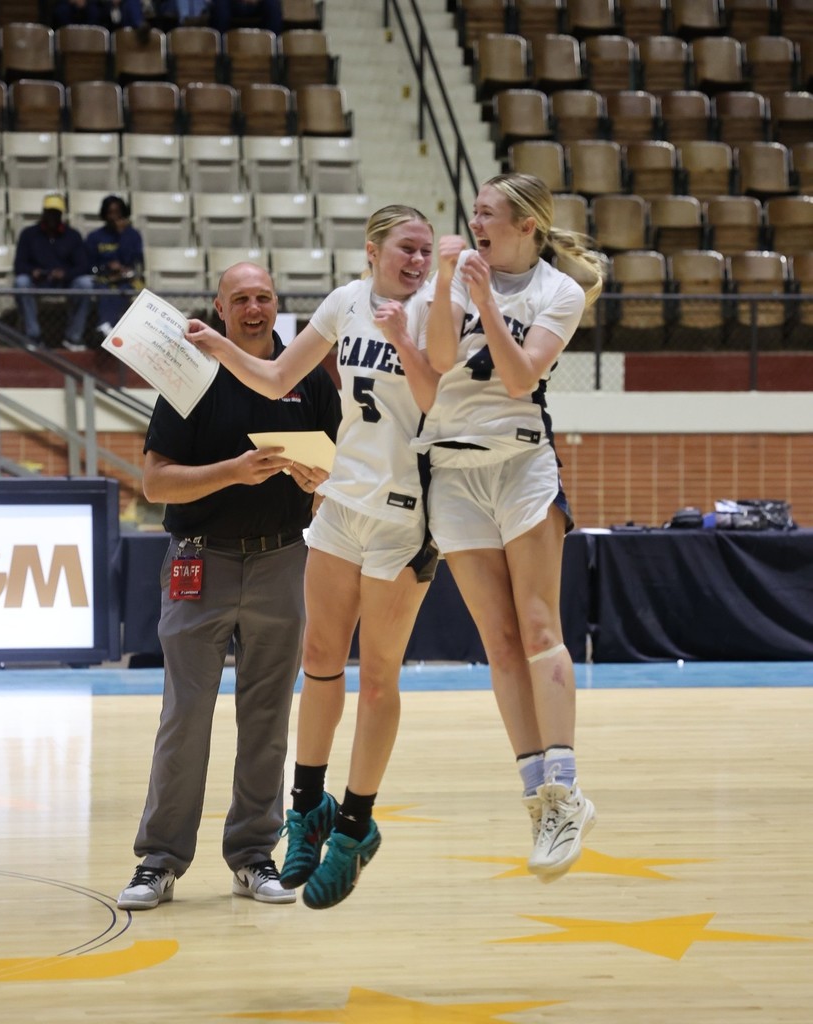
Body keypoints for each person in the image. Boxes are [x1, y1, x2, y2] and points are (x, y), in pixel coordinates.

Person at [184, 205, 438, 910]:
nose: (418, 261)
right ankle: (307, 809)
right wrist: (219, 347)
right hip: (340, 507)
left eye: (426, 250)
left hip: (405, 512)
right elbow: (274, 381)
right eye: (406, 249)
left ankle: (356, 827)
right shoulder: (344, 302)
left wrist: (407, 338)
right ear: (374, 250)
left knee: (379, 677)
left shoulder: (440, 313)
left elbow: (438, 403)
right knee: (320, 662)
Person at [116, 262, 341, 911]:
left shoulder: (307, 379)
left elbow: (337, 471)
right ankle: (159, 861)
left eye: (263, 296)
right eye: (239, 297)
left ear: (278, 305)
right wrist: (234, 473)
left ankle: (252, 856)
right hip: (199, 561)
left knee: (267, 719)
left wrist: (316, 483)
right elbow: (156, 483)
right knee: (184, 718)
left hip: (282, 564)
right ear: (218, 308)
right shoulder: (192, 377)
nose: (253, 307)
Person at [415, 172, 607, 882]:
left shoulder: (557, 291)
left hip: (523, 464)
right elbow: (438, 360)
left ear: (526, 225)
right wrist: (445, 281)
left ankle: (567, 789)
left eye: (488, 214)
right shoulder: (458, 280)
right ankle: (538, 799)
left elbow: (521, 376)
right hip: (455, 471)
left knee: (537, 629)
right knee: (497, 644)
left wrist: (488, 301)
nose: (476, 223)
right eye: (473, 213)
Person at [13, 193, 94, 352]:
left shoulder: (72, 236)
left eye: (56, 213)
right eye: (49, 212)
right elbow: (19, 264)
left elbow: (83, 266)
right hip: (37, 282)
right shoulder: (29, 234)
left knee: (86, 283)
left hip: (65, 282)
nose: (52, 216)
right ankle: (33, 336)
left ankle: (73, 337)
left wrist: (65, 273)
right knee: (21, 282)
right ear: (43, 212)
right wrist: (32, 271)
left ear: (61, 214)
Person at [86, 195, 145, 342]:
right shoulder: (95, 237)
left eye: (117, 212)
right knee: (106, 290)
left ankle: (105, 326)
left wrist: (122, 235)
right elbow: (88, 264)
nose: (114, 216)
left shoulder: (132, 235)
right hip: (102, 278)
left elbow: (134, 260)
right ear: (105, 214)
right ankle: (107, 326)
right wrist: (106, 267)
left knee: (123, 290)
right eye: (110, 212)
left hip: (126, 279)